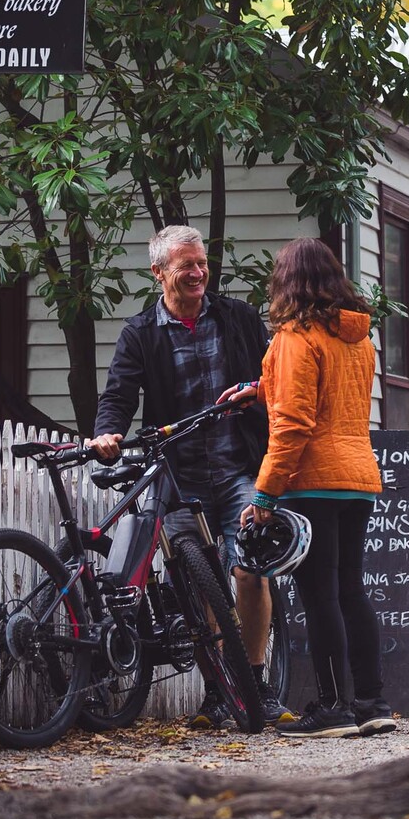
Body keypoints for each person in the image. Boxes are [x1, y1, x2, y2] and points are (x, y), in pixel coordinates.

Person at [89, 224, 286, 726]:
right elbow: (118, 395)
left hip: (239, 465)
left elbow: (275, 375)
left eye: (202, 263)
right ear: (159, 274)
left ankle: (256, 685)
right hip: (177, 477)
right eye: (186, 267)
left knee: (249, 569)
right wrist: (107, 433)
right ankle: (220, 689)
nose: (199, 273)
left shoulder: (236, 317)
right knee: (197, 585)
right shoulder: (140, 333)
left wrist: (258, 393)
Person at [233, 237, 396, 739]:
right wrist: (260, 390)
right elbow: (328, 393)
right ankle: (372, 702)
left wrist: (265, 492)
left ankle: (332, 708)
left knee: (319, 593)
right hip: (358, 477)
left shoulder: (295, 337)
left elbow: (297, 422)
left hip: (313, 479)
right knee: (351, 589)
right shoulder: (357, 338)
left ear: (286, 281)